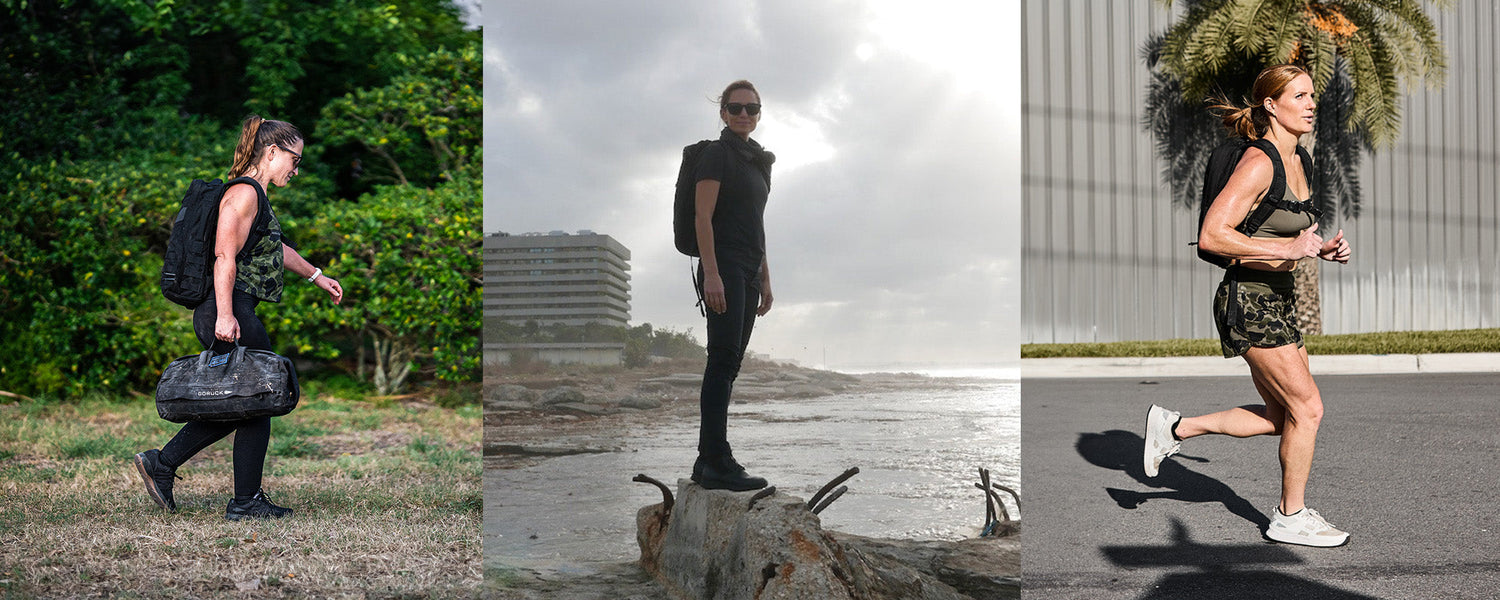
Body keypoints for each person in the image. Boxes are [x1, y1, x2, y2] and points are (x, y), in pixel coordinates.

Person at [1142, 65, 1353, 547]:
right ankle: (1289, 516)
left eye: (1312, 95)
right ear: (1271, 107)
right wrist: (1287, 251)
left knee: (1283, 417)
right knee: (1309, 408)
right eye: (1299, 96)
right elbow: (1213, 235)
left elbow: (1279, 230)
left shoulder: (1302, 159)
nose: (1311, 103)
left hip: (1277, 298)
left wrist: (1318, 248)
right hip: (1248, 299)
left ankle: (1174, 427)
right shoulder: (1259, 163)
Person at [134, 115, 345, 520]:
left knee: (249, 401)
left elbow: (275, 247)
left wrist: (318, 276)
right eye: (294, 159)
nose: (296, 169)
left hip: (231, 307)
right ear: (271, 152)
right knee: (261, 396)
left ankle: (165, 465)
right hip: (226, 309)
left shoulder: (254, 197)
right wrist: (227, 314)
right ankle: (242, 500)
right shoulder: (244, 194)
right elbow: (223, 255)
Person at [690, 80, 776, 491]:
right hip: (722, 264)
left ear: (759, 114)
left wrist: (766, 277)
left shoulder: (759, 162)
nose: (744, 114)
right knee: (721, 362)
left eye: (752, 108)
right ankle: (718, 462)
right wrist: (711, 274)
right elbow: (702, 217)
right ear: (723, 112)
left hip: (749, 268)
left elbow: (757, 224)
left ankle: (706, 459)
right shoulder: (716, 154)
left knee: (730, 365)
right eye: (736, 107)